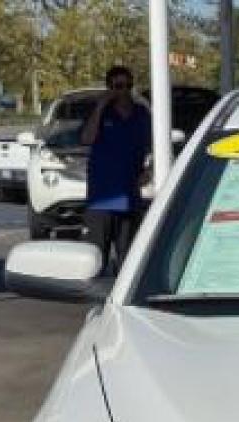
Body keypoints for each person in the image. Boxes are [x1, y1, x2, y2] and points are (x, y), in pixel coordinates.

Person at [80, 66, 152, 271]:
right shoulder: (101, 113)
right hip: (102, 200)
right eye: (119, 86)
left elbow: (154, 144)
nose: (124, 91)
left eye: (128, 86)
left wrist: (149, 170)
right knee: (94, 260)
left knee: (128, 261)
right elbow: (87, 138)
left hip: (130, 199)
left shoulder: (141, 114)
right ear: (109, 88)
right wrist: (101, 106)